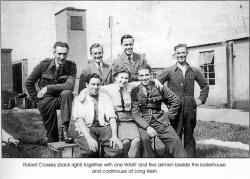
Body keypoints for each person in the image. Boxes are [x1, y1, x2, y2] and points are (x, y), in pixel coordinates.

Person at [158, 44, 209, 157]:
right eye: (178, 53)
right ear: (175, 54)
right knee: (175, 133)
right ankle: (171, 157)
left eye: (183, 52)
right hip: (175, 108)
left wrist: (201, 99)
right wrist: (167, 101)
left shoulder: (194, 70)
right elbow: (157, 84)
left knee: (189, 133)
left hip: (190, 107)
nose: (181, 55)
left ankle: (189, 158)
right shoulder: (169, 70)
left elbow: (205, 86)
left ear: (187, 53)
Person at [131, 65, 187, 158]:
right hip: (144, 123)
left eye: (146, 75)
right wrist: (147, 127)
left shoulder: (159, 87)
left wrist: (170, 116)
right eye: (141, 76)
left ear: (151, 75)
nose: (144, 78)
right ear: (138, 77)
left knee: (175, 141)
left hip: (160, 121)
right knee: (145, 140)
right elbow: (136, 114)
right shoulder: (134, 91)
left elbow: (175, 100)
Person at [26, 41, 76, 143]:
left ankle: (65, 130)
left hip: (61, 99)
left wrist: (48, 87)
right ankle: (54, 150)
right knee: (52, 134)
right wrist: (36, 100)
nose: (62, 57)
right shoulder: (43, 65)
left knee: (67, 93)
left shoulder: (71, 66)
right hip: (46, 100)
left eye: (65, 54)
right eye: (59, 54)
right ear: (54, 52)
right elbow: (29, 82)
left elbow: (70, 86)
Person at [72, 73, 123, 158]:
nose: (95, 87)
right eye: (93, 84)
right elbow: (80, 121)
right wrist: (89, 139)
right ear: (87, 84)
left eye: (98, 84)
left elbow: (111, 116)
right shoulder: (80, 99)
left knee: (117, 150)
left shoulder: (104, 96)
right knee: (90, 150)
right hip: (86, 128)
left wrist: (114, 136)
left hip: (103, 127)